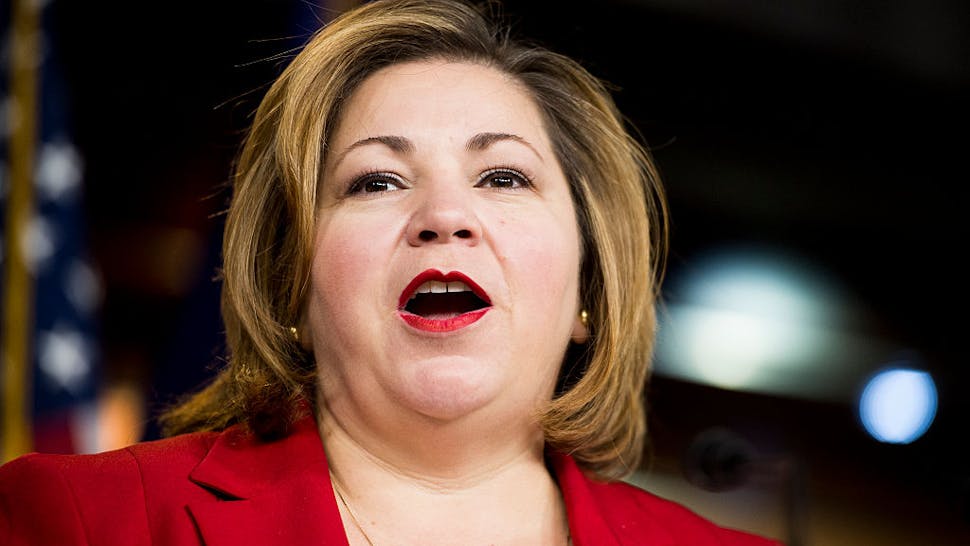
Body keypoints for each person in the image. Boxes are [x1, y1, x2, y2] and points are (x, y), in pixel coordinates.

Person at [0, 1, 782, 544]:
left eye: (504, 177)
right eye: (376, 181)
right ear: (290, 286)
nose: (445, 215)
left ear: (590, 293)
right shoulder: (86, 520)